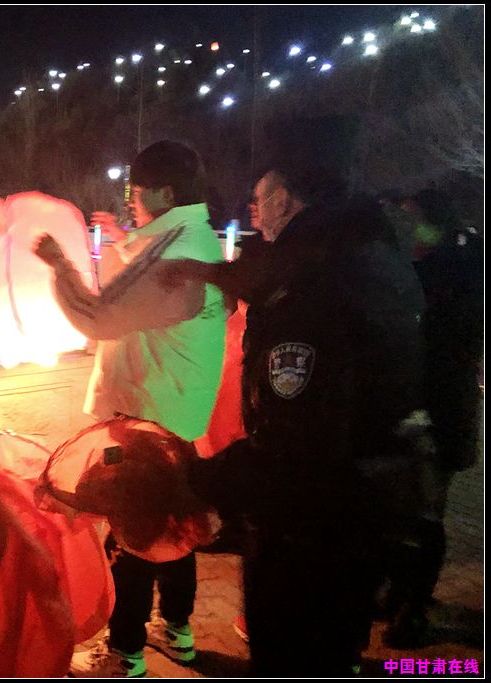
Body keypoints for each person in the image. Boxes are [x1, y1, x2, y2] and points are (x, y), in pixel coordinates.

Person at [166, 163, 428, 676]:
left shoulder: (309, 292)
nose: (254, 211)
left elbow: (293, 449)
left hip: (306, 538)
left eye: (260, 198)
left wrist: (193, 479)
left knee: (292, 656)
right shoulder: (371, 259)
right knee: (336, 650)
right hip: (366, 515)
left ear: (284, 199)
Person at [35, 140, 226, 677]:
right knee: (176, 525)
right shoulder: (193, 238)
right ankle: (178, 631)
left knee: (133, 535)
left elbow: (101, 316)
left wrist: (59, 266)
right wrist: (125, 239)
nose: (131, 201)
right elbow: (151, 285)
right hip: (176, 413)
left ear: (164, 193)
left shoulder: (173, 252)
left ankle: (125, 654)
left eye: (135, 192)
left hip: (147, 419)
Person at [381, 189, 483, 648]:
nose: (405, 230)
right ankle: (398, 591)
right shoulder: (413, 268)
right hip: (408, 407)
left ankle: (415, 607)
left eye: (413, 221)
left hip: (442, 412)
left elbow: (453, 345)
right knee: (399, 509)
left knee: (426, 512)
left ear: (435, 225)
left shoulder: (457, 273)